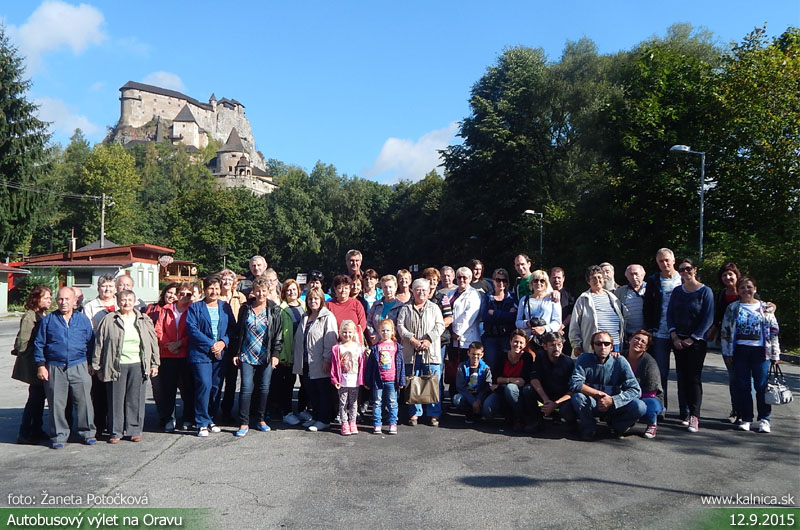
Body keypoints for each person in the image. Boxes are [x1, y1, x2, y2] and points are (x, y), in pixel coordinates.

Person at [32, 287, 97, 448]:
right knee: (56, 404)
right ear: (56, 301)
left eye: (67, 299)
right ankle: (59, 436)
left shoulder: (83, 320)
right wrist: (41, 365)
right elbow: (39, 344)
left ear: (74, 301)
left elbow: (91, 343)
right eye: (60, 299)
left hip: (79, 364)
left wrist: (91, 363)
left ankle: (87, 433)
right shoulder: (48, 320)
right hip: (55, 367)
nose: (64, 302)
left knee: (84, 402)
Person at [92, 289, 160, 443]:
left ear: (134, 301)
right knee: (115, 399)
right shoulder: (109, 320)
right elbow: (99, 344)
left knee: (135, 399)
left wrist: (154, 363)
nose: (126, 303)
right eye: (123, 300)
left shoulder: (144, 319)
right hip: (116, 365)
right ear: (117, 302)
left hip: (138, 364)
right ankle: (116, 432)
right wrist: (98, 367)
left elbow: (153, 342)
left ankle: (134, 430)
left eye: (130, 300)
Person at [721, 276, 781, 434]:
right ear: (738, 290)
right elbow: (725, 331)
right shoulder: (733, 308)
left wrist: (775, 354)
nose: (746, 290)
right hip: (740, 351)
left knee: (761, 386)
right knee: (743, 386)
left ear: (755, 289)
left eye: (749, 287)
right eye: (742, 288)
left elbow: (774, 331)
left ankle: (764, 419)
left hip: (760, 352)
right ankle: (746, 418)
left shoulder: (765, 308)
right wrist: (727, 352)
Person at [569, 331, 646, 441]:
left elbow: (636, 390)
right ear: (592, 346)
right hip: (593, 402)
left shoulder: (620, 361)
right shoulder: (584, 359)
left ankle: (616, 427)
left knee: (640, 406)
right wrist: (599, 394)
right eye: (598, 343)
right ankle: (589, 428)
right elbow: (575, 383)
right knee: (577, 398)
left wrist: (613, 400)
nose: (603, 347)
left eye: (606, 344)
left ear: (612, 347)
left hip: (615, 404)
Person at [666, 258, 714, 433]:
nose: (685, 272)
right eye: (681, 270)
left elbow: (708, 318)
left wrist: (693, 338)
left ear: (694, 269)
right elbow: (670, 314)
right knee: (682, 376)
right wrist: (674, 336)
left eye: (688, 268)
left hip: (696, 343)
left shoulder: (705, 291)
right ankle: (684, 413)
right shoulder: (677, 291)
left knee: (693, 378)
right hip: (678, 341)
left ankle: (695, 415)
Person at [231, 277, 283, 437]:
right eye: (258, 291)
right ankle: (243, 422)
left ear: (268, 291)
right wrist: (235, 352)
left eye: (264, 291)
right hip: (246, 353)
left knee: (264, 388)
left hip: (265, 355)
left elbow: (278, 334)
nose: (261, 294)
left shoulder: (274, 309)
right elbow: (238, 331)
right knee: (246, 388)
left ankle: (261, 419)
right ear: (253, 291)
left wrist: (276, 354)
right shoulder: (245, 308)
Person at [186, 275, 236, 437]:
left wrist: (223, 342)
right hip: (201, 354)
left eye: (216, 288)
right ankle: (201, 422)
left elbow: (232, 328)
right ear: (204, 289)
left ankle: (210, 419)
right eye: (210, 288)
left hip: (220, 354)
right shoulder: (195, 307)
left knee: (216, 387)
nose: (214, 291)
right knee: (204, 385)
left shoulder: (225, 307)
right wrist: (211, 344)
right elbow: (192, 329)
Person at [397, 278, 445, 427]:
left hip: (431, 353)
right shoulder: (405, 308)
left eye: (424, 290)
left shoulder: (434, 308)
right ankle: (414, 414)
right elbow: (400, 326)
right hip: (411, 352)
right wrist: (411, 339)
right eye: (418, 289)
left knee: (433, 383)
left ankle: (434, 414)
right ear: (412, 291)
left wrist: (429, 339)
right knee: (413, 382)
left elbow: (440, 326)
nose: (421, 292)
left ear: (429, 291)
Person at [642, 248, 683, 413]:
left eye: (667, 260)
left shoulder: (682, 279)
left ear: (673, 260)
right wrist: (650, 328)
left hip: (681, 333)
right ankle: (661, 407)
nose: (664, 263)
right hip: (659, 332)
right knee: (661, 372)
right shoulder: (653, 281)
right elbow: (647, 306)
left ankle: (685, 411)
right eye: (661, 261)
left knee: (683, 373)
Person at [293, 287, 338, 432]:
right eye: (310, 299)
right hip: (305, 361)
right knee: (311, 391)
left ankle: (324, 420)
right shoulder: (305, 316)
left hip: (320, 361)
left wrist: (327, 359)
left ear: (321, 300)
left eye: (316, 298)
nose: (313, 301)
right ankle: (316, 417)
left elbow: (330, 339)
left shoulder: (328, 317)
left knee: (323, 392)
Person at [12, 285, 52, 444]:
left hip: (40, 362)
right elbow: (22, 343)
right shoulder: (30, 317)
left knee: (39, 399)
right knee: (34, 399)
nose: (49, 301)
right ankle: (25, 433)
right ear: (36, 299)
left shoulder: (42, 314)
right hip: (33, 364)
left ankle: (37, 429)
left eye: (50, 298)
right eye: (45, 298)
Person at [153, 282, 195, 432]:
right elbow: (158, 330)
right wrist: (168, 345)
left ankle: (188, 418)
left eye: (188, 294)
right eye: (182, 293)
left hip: (185, 354)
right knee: (168, 389)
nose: (185, 296)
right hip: (167, 354)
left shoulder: (193, 310)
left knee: (187, 389)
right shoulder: (166, 310)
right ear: (177, 294)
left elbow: (193, 330)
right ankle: (169, 419)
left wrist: (180, 343)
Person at [82, 273, 118, 435]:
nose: (107, 289)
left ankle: (116, 425)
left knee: (117, 392)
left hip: (119, 355)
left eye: (110, 286)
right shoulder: (90, 307)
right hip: (99, 354)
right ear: (98, 288)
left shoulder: (121, 303)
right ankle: (99, 425)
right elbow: (88, 335)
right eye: (104, 286)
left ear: (115, 288)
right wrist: (90, 360)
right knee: (99, 392)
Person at [569, 265, 625, 356]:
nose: (597, 280)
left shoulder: (613, 298)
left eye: (599, 277)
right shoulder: (583, 299)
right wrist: (576, 345)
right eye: (593, 278)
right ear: (588, 281)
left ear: (603, 279)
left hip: (615, 346)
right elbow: (574, 324)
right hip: (596, 346)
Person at [526, 332, 576, 432]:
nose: (556, 348)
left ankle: (571, 423)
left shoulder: (568, 362)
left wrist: (556, 404)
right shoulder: (540, 356)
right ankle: (536, 420)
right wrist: (545, 399)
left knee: (567, 410)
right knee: (527, 390)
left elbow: (573, 390)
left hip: (561, 398)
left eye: (559, 345)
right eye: (552, 345)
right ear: (545, 346)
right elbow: (534, 379)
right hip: (545, 395)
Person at [485, 329, 533, 431]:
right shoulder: (502, 355)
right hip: (501, 390)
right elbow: (495, 378)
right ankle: (507, 415)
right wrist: (510, 380)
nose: (518, 345)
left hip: (518, 392)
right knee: (487, 411)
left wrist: (504, 381)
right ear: (510, 342)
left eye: (521, 343)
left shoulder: (527, 357)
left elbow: (522, 381)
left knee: (510, 388)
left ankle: (519, 418)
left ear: (525, 344)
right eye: (515, 341)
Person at [365, 318, 406, 435]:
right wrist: (367, 381)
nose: (385, 332)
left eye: (388, 330)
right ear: (379, 331)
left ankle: (392, 424)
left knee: (392, 403)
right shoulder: (376, 347)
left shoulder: (396, 347)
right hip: (378, 380)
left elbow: (401, 365)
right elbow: (370, 366)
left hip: (392, 380)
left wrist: (401, 381)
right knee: (377, 403)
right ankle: (377, 424)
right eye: (383, 330)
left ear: (392, 331)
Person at [218, 268, 248, 424]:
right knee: (216, 379)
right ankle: (212, 410)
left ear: (234, 282)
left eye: (230, 279)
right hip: (219, 340)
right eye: (224, 279)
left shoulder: (240, 297)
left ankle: (227, 412)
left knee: (231, 380)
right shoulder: (215, 296)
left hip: (235, 342)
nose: (227, 282)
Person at [275, 279, 305, 425]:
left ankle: (302, 409)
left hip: (303, 351)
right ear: (284, 293)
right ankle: (286, 412)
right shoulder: (281, 309)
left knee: (305, 383)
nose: (292, 292)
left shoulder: (305, 305)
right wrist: (282, 355)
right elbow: (279, 334)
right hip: (288, 352)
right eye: (288, 290)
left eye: (294, 289)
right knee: (288, 384)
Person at [624, 330, 663, 439]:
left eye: (643, 341)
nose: (638, 342)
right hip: (623, 393)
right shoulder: (620, 356)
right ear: (630, 340)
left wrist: (630, 397)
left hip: (647, 396)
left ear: (646, 347)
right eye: (636, 338)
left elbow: (652, 390)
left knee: (648, 404)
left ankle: (652, 423)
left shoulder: (649, 363)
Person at [330, 320, 366, 436]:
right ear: (340, 332)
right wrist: (335, 379)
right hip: (342, 381)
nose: (347, 335)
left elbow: (362, 365)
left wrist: (363, 379)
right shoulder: (337, 348)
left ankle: (352, 422)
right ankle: (344, 423)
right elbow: (334, 366)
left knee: (354, 403)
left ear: (354, 332)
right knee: (343, 403)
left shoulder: (358, 348)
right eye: (344, 332)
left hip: (354, 381)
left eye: (350, 332)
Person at [515, 270, 562, 352]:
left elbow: (557, 322)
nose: (539, 283)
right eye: (536, 280)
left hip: (547, 341)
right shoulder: (524, 300)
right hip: (529, 341)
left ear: (546, 283)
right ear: (531, 283)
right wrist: (527, 323)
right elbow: (517, 322)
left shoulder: (552, 299)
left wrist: (544, 328)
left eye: (542, 281)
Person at [481, 268, 517, 370]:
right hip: (490, 337)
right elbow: (484, 317)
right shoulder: (487, 297)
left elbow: (513, 317)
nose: (501, 283)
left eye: (504, 280)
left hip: (506, 337)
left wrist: (494, 313)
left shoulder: (512, 297)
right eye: (498, 280)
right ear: (493, 281)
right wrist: (505, 315)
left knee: (505, 366)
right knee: (490, 366)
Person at [452, 342, 495, 423]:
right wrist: (473, 401)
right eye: (473, 354)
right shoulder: (462, 366)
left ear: (482, 354)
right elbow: (460, 386)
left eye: (478, 354)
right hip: (467, 395)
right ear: (468, 353)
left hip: (480, 396)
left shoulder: (486, 369)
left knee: (487, 407)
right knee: (457, 399)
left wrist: (478, 400)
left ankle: (479, 413)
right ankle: (469, 413)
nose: (475, 357)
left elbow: (487, 387)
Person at [450, 266, 483, 363]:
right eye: (459, 277)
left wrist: (457, 332)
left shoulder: (474, 294)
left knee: (465, 365)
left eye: (465, 277)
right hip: (451, 337)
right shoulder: (451, 293)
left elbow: (469, 316)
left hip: (466, 338)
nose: (462, 280)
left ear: (470, 279)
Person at [327, 275, 368, 344]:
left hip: (354, 343)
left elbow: (362, 324)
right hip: (334, 343)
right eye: (340, 288)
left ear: (349, 289)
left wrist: (351, 337)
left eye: (346, 288)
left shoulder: (356, 304)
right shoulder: (328, 305)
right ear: (335, 289)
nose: (343, 291)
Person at [615, 264, 647, 349]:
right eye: (631, 274)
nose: (634, 277)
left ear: (643, 275)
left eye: (636, 274)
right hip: (628, 335)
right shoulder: (620, 292)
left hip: (648, 334)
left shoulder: (651, 289)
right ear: (627, 277)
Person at [366, 274, 403, 345]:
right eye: (385, 287)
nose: (388, 290)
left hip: (393, 344)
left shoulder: (401, 307)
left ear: (396, 287)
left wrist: (388, 337)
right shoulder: (376, 305)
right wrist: (373, 335)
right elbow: (369, 321)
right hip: (376, 343)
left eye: (390, 287)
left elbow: (400, 326)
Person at [549, 267, 576, 335]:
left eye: (559, 277)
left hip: (566, 331)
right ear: (549, 278)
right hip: (548, 331)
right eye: (554, 277)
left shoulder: (570, 294)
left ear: (563, 278)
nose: (556, 280)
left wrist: (561, 327)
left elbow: (572, 313)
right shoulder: (545, 294)